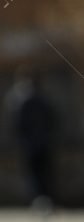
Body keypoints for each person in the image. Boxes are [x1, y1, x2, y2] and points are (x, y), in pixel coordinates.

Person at [10, 73, 58, 210]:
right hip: (44, 142)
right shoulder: (44, 98)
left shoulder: (20, 100)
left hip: (30, 144)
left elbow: (16, 123)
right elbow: (54, 119)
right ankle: (48, 199)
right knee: (45, 172)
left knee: (35, 174)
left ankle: (41, 201)